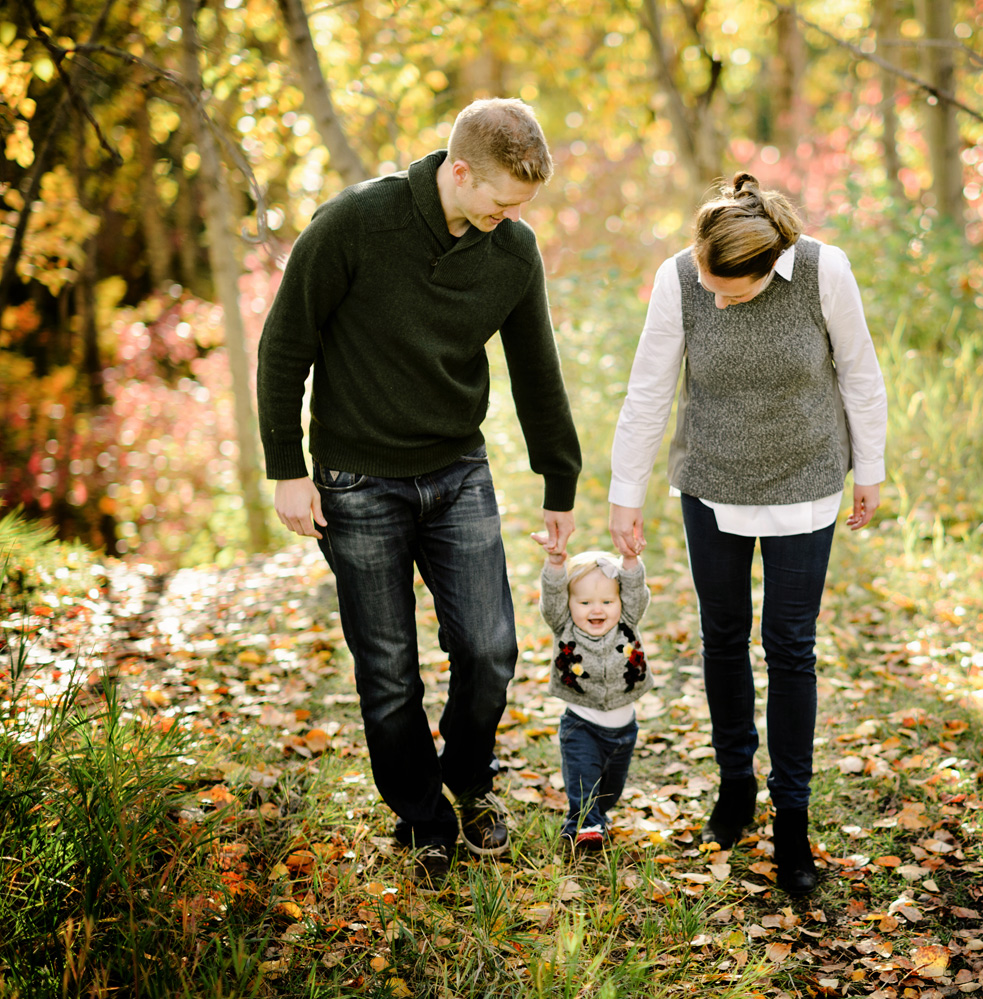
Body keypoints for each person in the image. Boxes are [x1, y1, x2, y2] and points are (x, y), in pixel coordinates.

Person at [257, 98, 581, 890]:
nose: (512, 217)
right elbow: (285, 342)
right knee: (390, 666)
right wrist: (285, 467)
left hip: (457, 469)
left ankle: (468, 778)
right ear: (459, 170)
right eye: (502, 199)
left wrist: (559, 478)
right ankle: (421, 814)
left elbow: (535, 367)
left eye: (522, 206)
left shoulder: (512, 250)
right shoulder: (355, 224)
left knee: (489, 649)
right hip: (356, 478)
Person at [608, 173, 887, 896]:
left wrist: (870, 468)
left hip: (807, 478)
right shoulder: (681, 279)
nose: (715, 294)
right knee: (723, 633)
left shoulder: (824, 271)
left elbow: (859, 372)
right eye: (707, 279)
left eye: (728, 288)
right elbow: (649, 389)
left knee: (790, 645)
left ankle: (792, 818)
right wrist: (624, 494)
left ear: (770, 266)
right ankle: (736, 783)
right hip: (711, 480)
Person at [532, 537, 651, 851]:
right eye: (584, 603)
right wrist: (556, 565)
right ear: (570, 605)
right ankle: (582, 827)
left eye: (607, 602)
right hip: (581, 726)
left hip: (624, 729)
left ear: (620, 602)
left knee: (611, 791)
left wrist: (629, 562)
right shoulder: (564, 626)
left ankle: (597, 818)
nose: (596, 609)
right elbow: (553, 597)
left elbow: (636, 591)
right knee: (584, 784)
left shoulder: (627, 621)